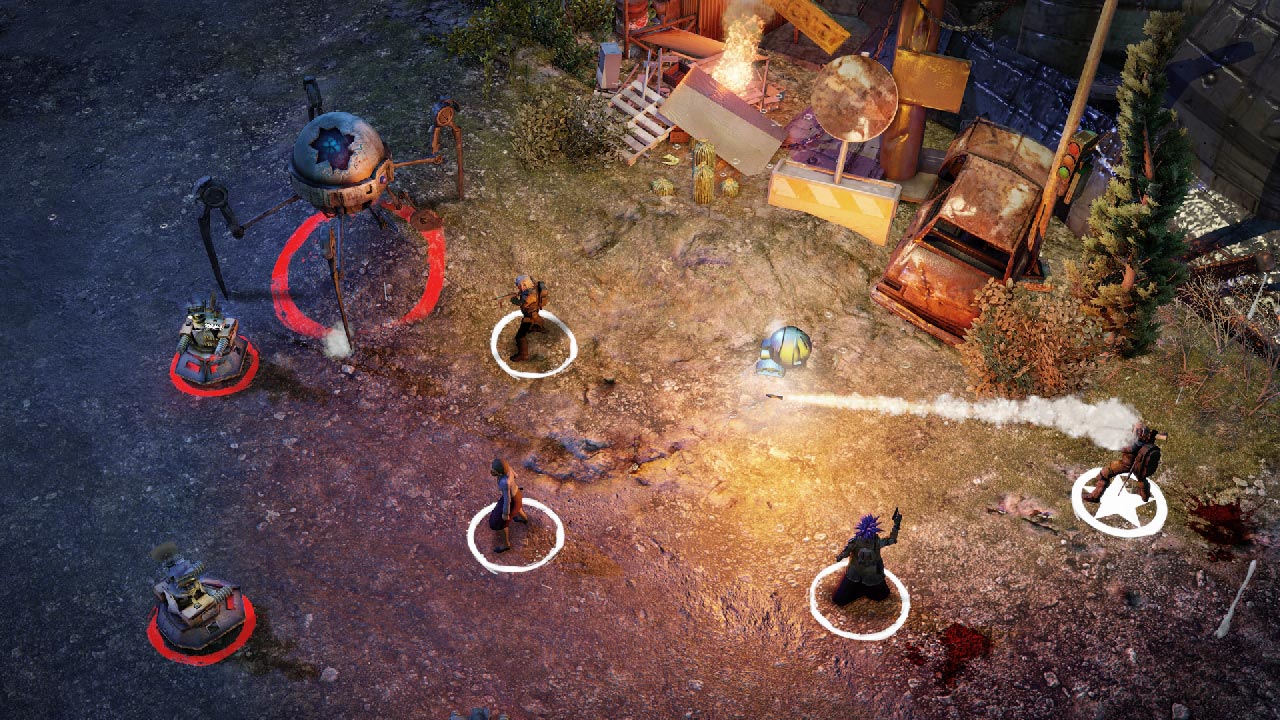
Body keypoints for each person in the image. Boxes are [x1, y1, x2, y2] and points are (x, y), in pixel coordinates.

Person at [1083, 422, 1167, 503]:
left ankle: (1095, 497)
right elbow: (1157, 436)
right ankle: (1145, 497)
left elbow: (1121, 447)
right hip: (1139, 465)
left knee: (1104, 474)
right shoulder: (1147, 439)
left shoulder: (1133, 444)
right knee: (1141, 479)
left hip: (1126, 465)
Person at [833, 509, 902, 605]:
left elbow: (891, 540)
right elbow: (847, 551)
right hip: (856, 572)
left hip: (871, 574)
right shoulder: (858, 541)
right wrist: (841, 556)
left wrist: (896, 525)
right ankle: (858, 590)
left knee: (881, 595)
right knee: (840, 599)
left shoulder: (874, 542)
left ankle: (864, 591)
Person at [488, 459, 529, 553]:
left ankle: (506, 545)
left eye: (494, 470)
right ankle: (524, 518)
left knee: (500, 524)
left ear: (499, 472)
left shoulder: (504, 482)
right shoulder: (508, 469)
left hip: (512, 500)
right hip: (517, 494)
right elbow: (516, 475)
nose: (491, 471)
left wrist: (505, 514)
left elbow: (507, 500)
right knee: (517, 507)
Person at [509, 274, 548, 362]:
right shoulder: (535, 288)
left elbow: (521, 303)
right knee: (537, 319)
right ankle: (539, 327)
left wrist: (513, 299)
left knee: (520, 336)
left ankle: (523, 355)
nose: (519, 288)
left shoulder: (528, 295)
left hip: (529, 316)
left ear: (524, 284)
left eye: (519, 286)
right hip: (535, 312)